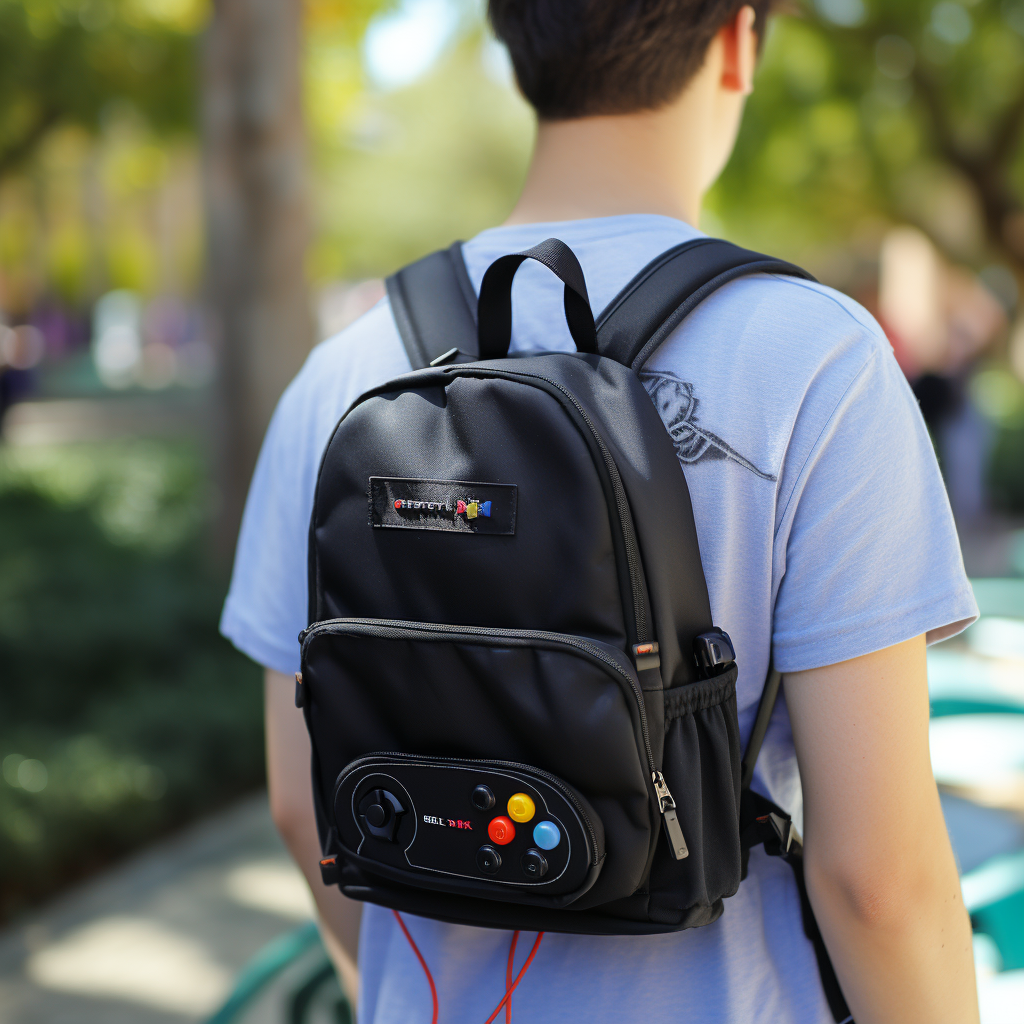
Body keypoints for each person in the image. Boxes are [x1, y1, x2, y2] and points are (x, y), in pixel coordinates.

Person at [220, 2, 982, 1021]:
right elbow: (878, 882)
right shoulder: (817, 359)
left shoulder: (341, 374)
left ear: (513, 38)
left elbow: (295, 796)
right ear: (737, 42)